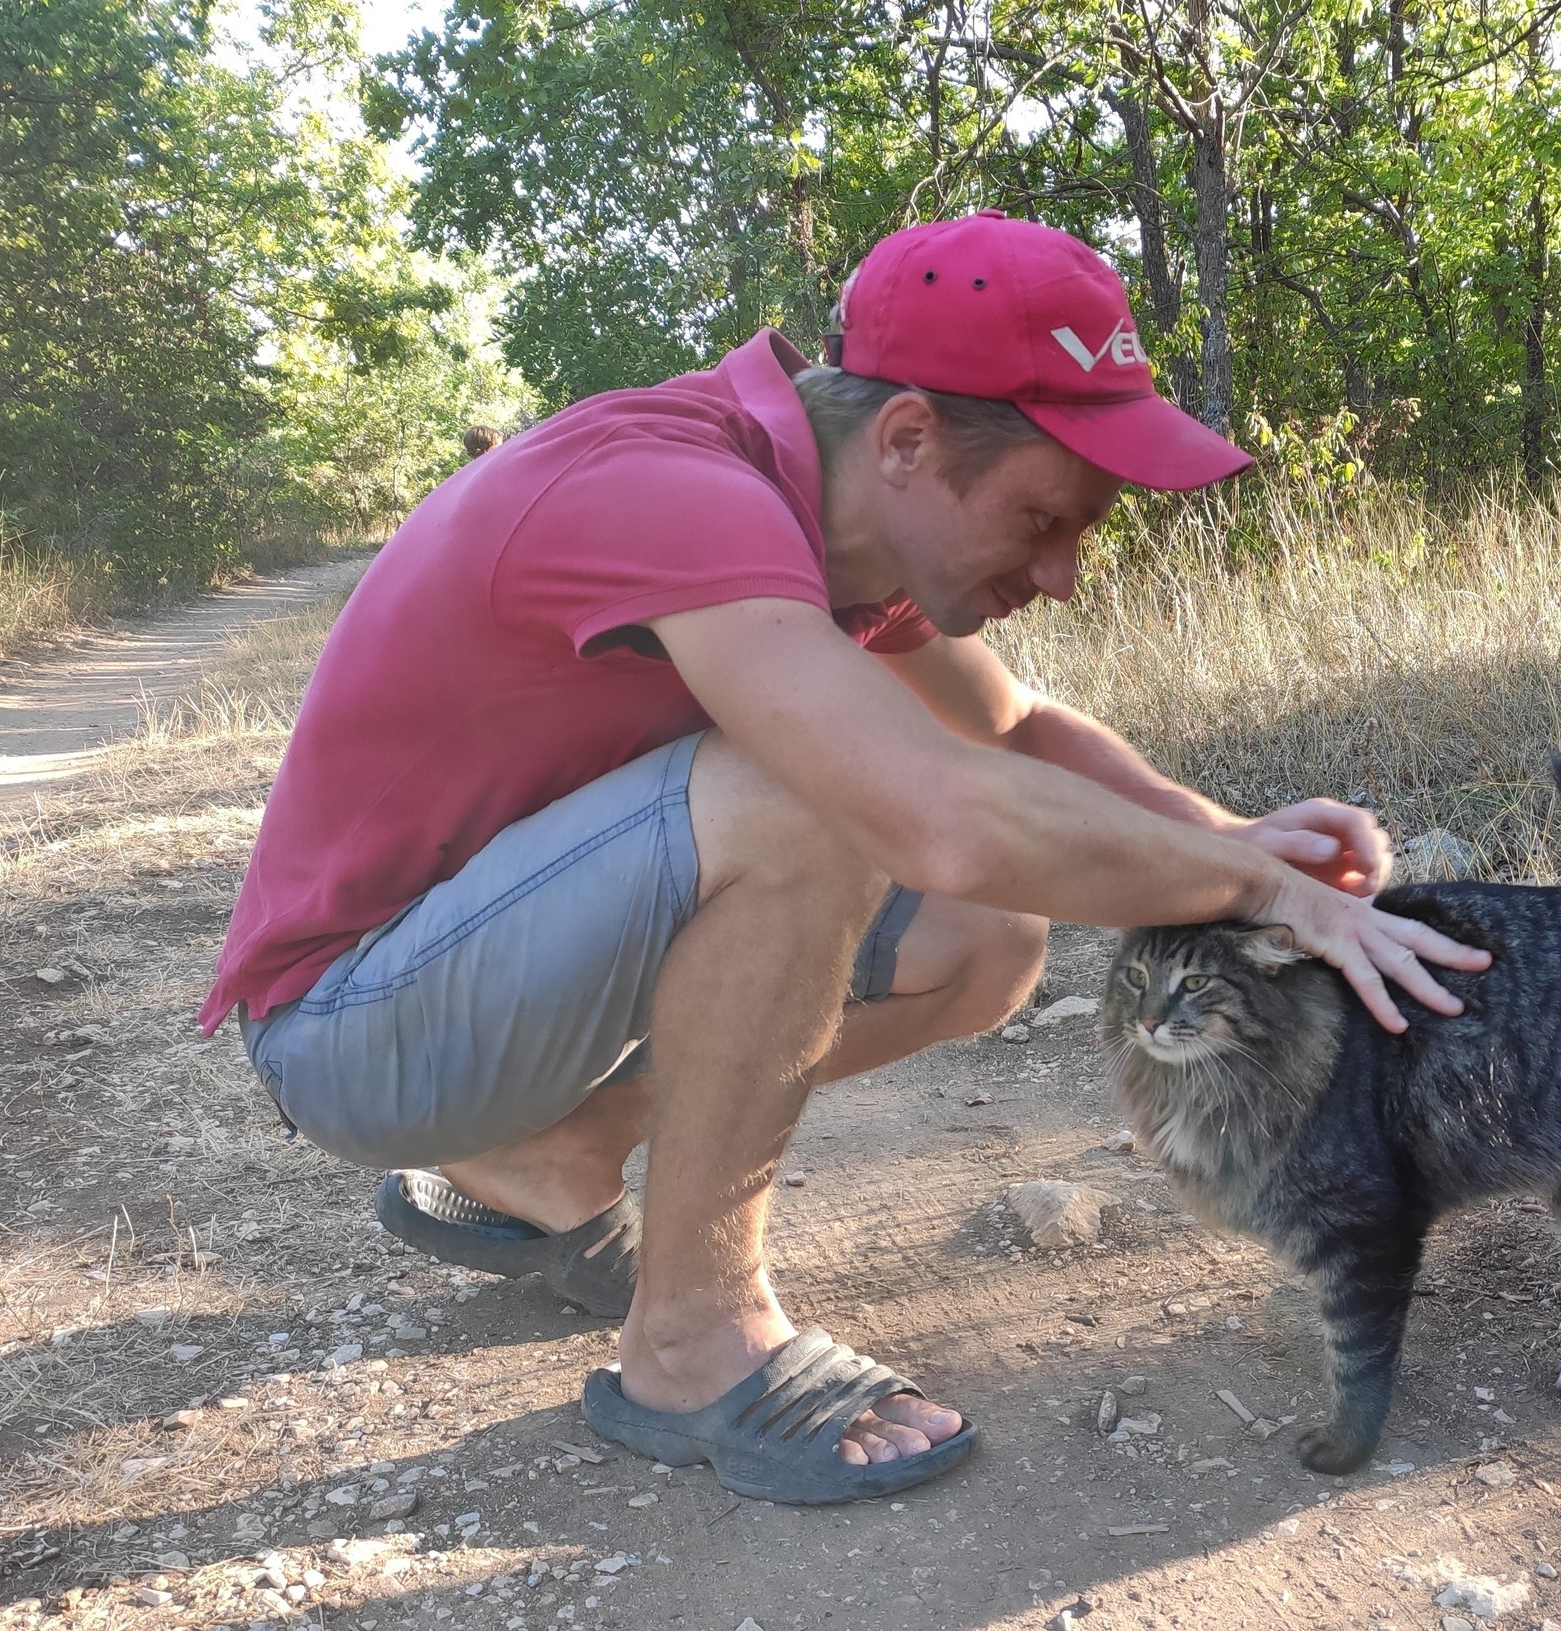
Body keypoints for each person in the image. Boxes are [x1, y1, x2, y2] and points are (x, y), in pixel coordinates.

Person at [197, 211, 1489, 1504]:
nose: (1064, 573)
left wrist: (1224, 838)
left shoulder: (829, 518)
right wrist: (1258, 895)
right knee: (811, 802)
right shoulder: (674, 491)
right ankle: (692, 1344)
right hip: (356, 1025)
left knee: (982, 943)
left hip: (494, 984)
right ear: (910, 438)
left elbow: (1014, 731)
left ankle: (549, 1159)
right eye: (1044, 517)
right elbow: (938, 809)